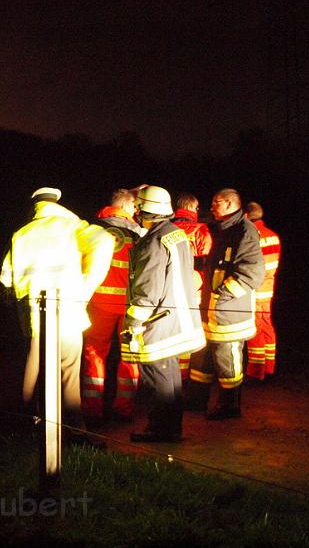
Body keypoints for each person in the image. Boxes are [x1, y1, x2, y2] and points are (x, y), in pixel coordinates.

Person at [0, 187, 114, 436]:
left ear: (34, 206)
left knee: (33, 370)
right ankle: (75, 429)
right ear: (57, 203)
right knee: (69, 373)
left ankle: (27, 425)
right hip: (69, 311)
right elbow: (105, 240)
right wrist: (87, 283)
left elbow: (6, 278)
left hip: (34, 316)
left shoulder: (21, 233)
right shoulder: (71, 226)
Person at [120, 186, 206, 442]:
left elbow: (148, 291)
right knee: (170, 377)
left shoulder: (152, 242)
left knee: (158, 377)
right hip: (178, 318)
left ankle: (160, 430)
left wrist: (134, 323)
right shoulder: (175, 234)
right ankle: (170, 428)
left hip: (161, 323)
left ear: (144, 210)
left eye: (138, 207)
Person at [187, 188, 265, 420]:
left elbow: (252, 272)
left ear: (230, 204)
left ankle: (229, 406)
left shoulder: (244, 231)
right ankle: (196, 400)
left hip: (229, 314)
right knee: (202, 358)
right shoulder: (225, 229)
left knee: (227, 360)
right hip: (211, 310)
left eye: (216, 202)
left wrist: (222, 295)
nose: (211, 207)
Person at [81, 188, 145, 425]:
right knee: (130, 356)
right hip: (131, 307)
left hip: (99, 303)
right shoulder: (139, 232)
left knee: (94, 355)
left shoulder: (93, 229)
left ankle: (92, 409)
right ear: (128, 207)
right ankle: (124, 409)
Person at [170, 193, 212, 382]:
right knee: (187, 335)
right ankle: (182, 378)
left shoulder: (165, 227)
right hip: (193, 290)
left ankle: (164, 376)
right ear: (193, 209)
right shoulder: (200, 230)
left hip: (167, 289)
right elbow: (207, 261)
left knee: (168, 333)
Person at [244, 201, 282, 380]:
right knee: (267, 326)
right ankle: (270, 367)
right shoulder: (273, 235)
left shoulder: (253, 236)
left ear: (246, 216)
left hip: (255, 290)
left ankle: (256, 371)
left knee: (256, 329)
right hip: (268, 288)